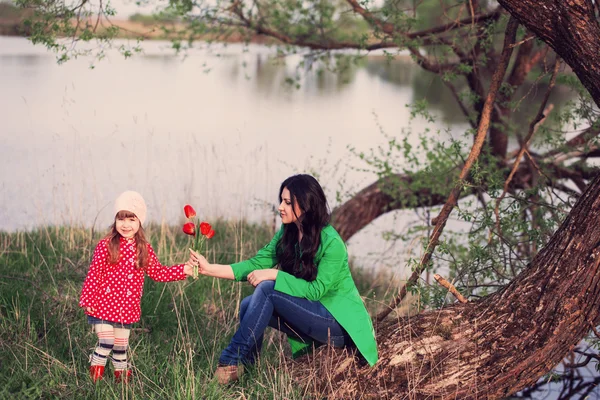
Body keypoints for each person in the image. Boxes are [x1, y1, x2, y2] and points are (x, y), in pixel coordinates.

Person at [189, 174, 378, 384]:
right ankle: (247, 370)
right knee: (247, 304)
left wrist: (275, 274)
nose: (280, 207)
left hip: (338, 324)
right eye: (281, 200)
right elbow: (255, 264)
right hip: (312, 314)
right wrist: (209, 269)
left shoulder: (332, 243)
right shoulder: (287, 233)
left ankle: (228, 362)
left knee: (268, 289)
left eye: (288, 202)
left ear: (306, 205)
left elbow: (316, 291)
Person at [79, 190, 196, 383]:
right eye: (121, 219)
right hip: (102, 304)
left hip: (126, 307)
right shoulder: (105, 245)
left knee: (120, 346)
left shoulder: (143, 249)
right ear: (115, 220)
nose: (126, 225)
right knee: (106, 342)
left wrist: (184, 270)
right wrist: (89, 299)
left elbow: (158, 272)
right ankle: (95, 378)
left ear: (139, 222)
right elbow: (94, 273)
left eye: (132, 219)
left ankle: (122, 380)